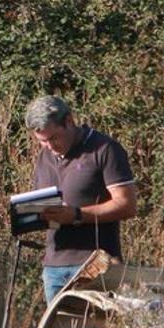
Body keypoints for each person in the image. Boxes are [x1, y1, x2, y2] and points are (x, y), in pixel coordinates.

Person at [25, 95, 138, 301]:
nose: (49, 146)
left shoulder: (105, 149)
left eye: (53, 138)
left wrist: (77, 215)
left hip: (97, 265)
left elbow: (127, 205)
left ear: (69, 121)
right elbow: (41, 205)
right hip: (54, 267)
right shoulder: (44, 156)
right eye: (42, 141)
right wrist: (29, 215)